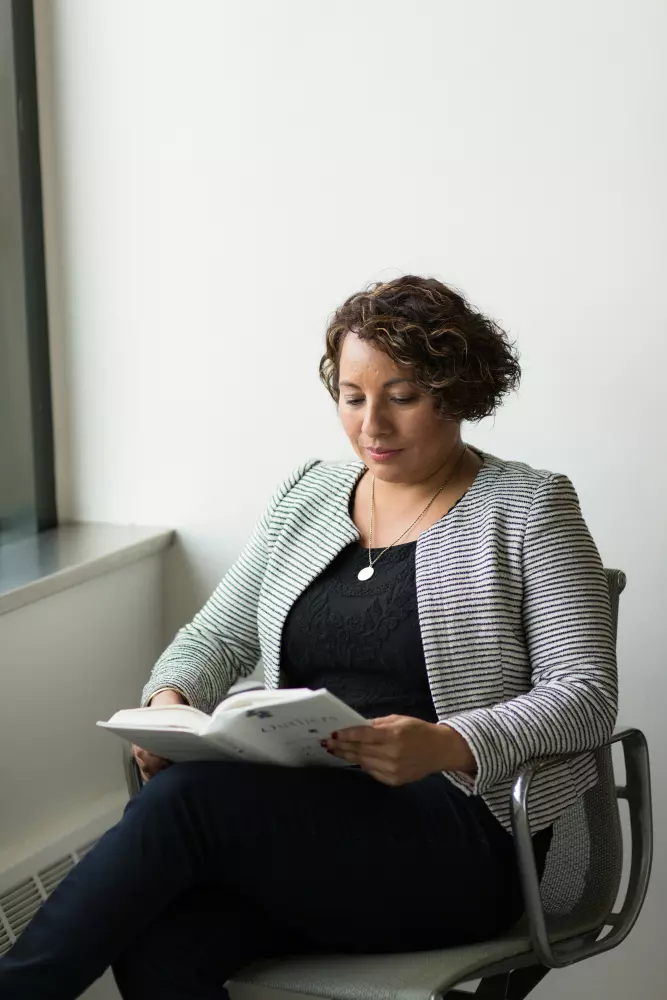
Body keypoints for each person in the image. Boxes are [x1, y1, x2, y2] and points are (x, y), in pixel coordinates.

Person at [0, 276, 617, 1000]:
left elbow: (584, 696)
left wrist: (444, 742)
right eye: (352, 399)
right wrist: (171, 700)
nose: (372, 427)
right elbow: (215, 637)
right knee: (160, 941)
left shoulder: (529, 506)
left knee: (187, 802)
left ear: (456, 391)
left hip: (455, 842)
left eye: (402, 397)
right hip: (297, 828)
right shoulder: (310, 494)